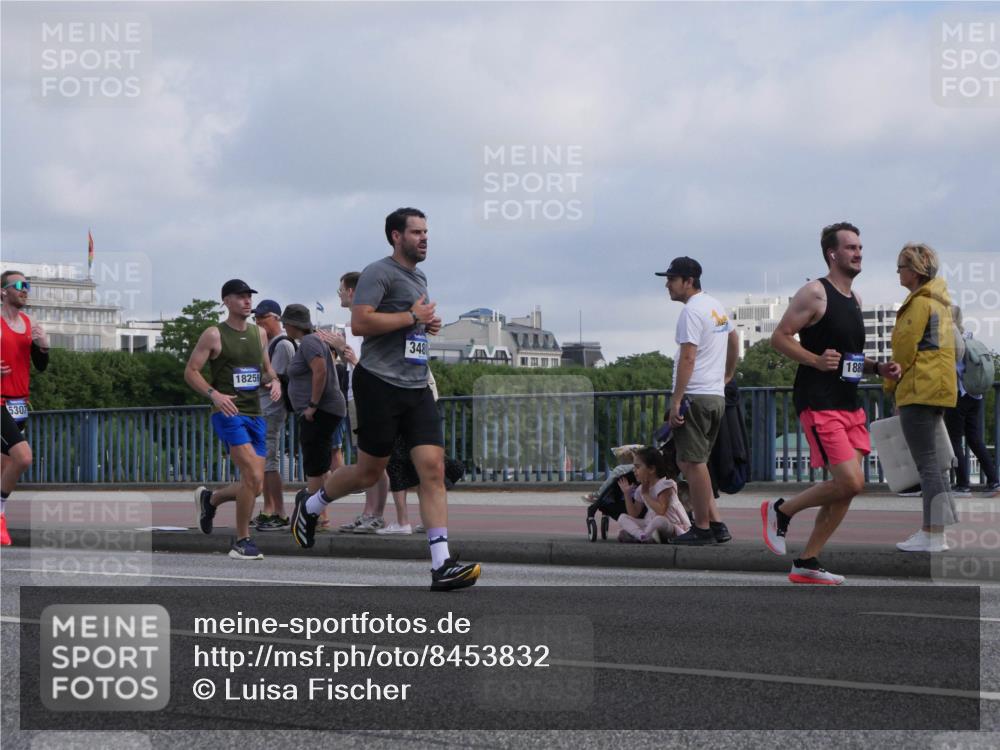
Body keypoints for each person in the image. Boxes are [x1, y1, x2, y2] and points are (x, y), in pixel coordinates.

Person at [290, 207, 481, 591]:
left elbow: (411, 322)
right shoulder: (377, 273)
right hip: (379, 383)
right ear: (396, 236)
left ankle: (441, 565)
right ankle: (310, 505)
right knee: (369, 472)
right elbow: (361, 322)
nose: (424, 238)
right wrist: (412, 316)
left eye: (426, 232)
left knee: (433, 469)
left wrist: (426, 323)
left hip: (416, 385)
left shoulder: (419, 276)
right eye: (416, 232)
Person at [762, 222, 899, 584]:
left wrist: (878, 367)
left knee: (848, 488)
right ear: (832, 254)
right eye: (851, 248)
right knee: (850, 482)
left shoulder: (855, 299)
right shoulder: (814, 293)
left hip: (849, 403)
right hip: (819, 400)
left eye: (860, 248)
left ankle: (807, 561)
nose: (858, 253)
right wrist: (814, 360)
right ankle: (781, 510)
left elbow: (849, 357)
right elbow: (780, 337)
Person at [186, 279, 281, 560]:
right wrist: (214, 394)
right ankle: (242, 540)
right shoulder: (214, 334)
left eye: (249, 296)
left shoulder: (259, 334)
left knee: (256, 485)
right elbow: (191, 371)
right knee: (252, 476)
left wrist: (275, 381)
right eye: (240, 297)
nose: (247, 301)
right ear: (226, 301)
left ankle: (211, 499)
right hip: (228, 413)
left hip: (256, 413)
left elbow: (266, 370)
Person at [656, 256, 738, 545]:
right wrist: (727, 375)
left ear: (688, 281)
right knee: (690, 461)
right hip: (714, 396)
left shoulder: (691, 312)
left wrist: (677, 400)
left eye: (671, 279)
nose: (667, 285)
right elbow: (734, 339)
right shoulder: (715, 306)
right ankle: (716, 524)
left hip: (695, 396)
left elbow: (688, 357)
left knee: (692, 462)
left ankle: (702, 528)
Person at [885, 244, 959, 552]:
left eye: (901, 267)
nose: (898, 273)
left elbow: (903, 351)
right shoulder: (941, 303)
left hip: (918, 389)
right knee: (936, 465)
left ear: (914, 271)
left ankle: (931, 533)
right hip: (939, 388)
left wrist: (891, 386)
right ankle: (939, 532)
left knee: (926, 464)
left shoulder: (918, 304)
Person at [323, 271, 390, 534]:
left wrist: (346, 353)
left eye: (340, 290)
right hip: (356, 396)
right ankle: (368, 513)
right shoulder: (353, 325)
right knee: (365, 461)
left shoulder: (366, 324)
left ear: (351, 292)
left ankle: (375, 514)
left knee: (374, 461)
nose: (339, 295)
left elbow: (373, 365)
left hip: (370, 397)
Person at [1, 270, 49, 546]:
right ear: (3, 291)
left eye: (27, 285)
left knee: (5, 465)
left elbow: (40, 367)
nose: (25, 289)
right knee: (23, 457)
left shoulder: (30, 324)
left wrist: (43, 347)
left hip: (19, 403)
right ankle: (0, 515)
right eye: (19, 285)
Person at [281, 304, 347, 500]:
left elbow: (320, 371)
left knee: (315, 465)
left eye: (285, 323)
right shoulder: (311, 341)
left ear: (293, 324)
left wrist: (312, 405)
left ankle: (313, 509)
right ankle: (319, 509)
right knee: (321, 462)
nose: (284, 327)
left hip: (320, 411)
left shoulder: (309, 342)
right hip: (324, 410)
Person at [945, 305, 1000, 497]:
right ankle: (994, 480)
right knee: (974, 439)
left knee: (954, 440)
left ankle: (962, 484)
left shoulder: (950, 339)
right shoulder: (969, 337)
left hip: (958, 395)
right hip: (975, 395)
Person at [251, 299, 295, 531]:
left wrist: (247, 378)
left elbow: (273, 377)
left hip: (272, 407)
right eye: (256, 318)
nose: (258, 321)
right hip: (264, 407)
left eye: (262, 317)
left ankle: (279, 511)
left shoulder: (282, 344)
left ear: (276, 318)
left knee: (269, 460)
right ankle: (269, 509)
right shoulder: (268, 343)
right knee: (265, 460)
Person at [616, 447, 691, 543]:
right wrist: (627, 494)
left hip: (671, 523)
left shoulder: (665, 485)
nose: (634, 470)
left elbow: (661, 511)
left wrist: (646, 495)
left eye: (637, 467)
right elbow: (634, 513)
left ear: (651, 469)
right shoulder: (641, 489)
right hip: (650, 523)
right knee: (622, 518)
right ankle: (642, 536)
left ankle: (642, 535)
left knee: (658, 520)